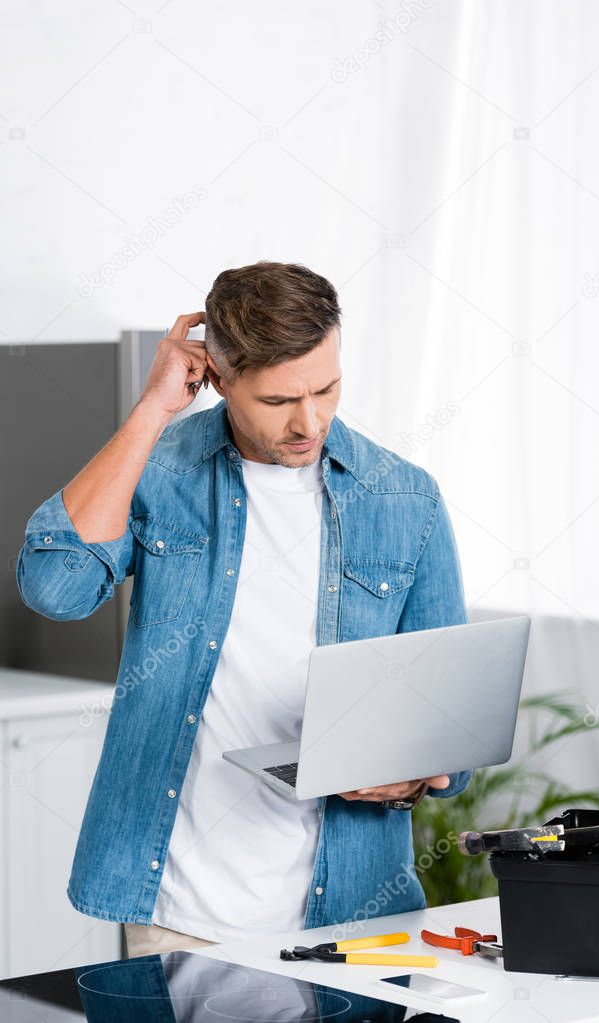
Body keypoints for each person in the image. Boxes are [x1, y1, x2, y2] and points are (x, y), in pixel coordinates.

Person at [16, 261, 472, 959]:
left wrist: (412, 771)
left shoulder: (405, 498)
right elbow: (57, 587)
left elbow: (452, 734)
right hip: (179, 909)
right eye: (278, 398)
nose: (308, 420)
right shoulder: (159, 469)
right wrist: (152, 410)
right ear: (220, 378)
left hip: (352, 914)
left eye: (326, 388)